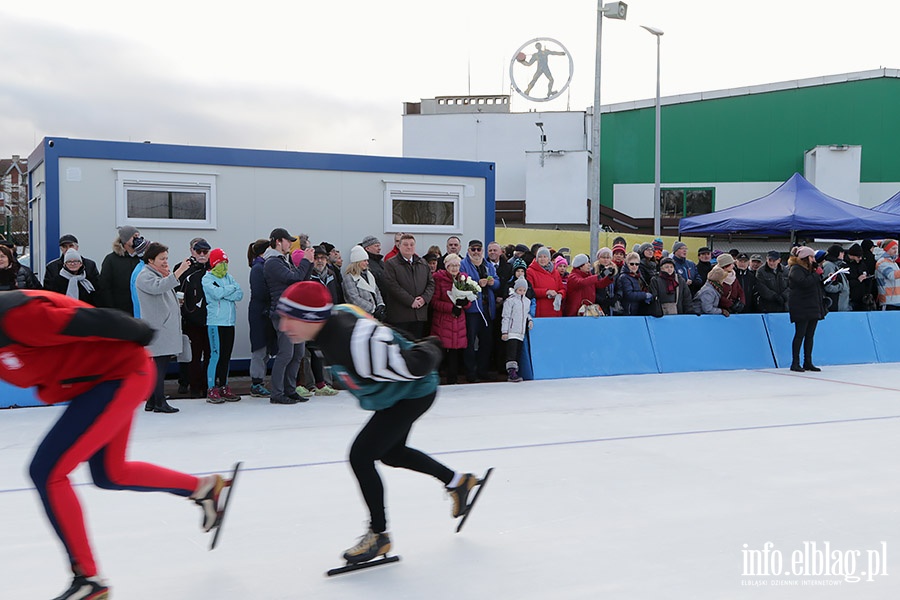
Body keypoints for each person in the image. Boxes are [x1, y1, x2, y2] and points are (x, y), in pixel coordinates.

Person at [0, 290, 233, 600]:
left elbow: (94, 320)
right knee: (110, 473)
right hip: (94, 383)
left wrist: (139, 332)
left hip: (121, 374)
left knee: (47, 470)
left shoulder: (17, 318)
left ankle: (89, 579)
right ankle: (203, 488)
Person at [275, 281, 482, 565]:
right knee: (391, 453)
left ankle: (379, 536)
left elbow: (414, 364)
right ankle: (458, 482)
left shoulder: (352, 343)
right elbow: (384, 331)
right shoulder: (335, 320)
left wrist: (431, 345)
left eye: (291, 318)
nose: (284, 326)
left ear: (312, 318)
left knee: (361, 456)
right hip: (400, 394)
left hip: (413, 392)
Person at [135, 242, 191, 413]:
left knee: (159, 366)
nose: (166, 261)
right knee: (159, 368)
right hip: (159, 329)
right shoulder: (145, 276)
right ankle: (159, 402)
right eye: (162, 259)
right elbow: (158, 288)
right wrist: (179, 271)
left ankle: (152, 401)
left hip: (163, 328)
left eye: (167, 258)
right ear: (150, 259)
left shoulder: (156, 274)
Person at [263, 227, 314, 404]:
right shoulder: (272, 262)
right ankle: (277, 393)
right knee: (286, 354)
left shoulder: (283, 260)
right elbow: (293, 279)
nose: (290, 245)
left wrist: (310, 262)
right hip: (283, 314)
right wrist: (306, 262)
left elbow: (301, 281)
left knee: (297, 353)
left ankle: (289, 390)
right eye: (288, 241)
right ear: (278, 241)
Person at [202, 248, 244, 403]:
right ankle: (211, 388)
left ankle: (224, 386)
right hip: (215, 322)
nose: (224, 266)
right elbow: (216, 293)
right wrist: (228, 291)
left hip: (229, 322)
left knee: (226, 356)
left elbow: (239, 294)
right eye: (221, 263)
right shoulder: (207, 278)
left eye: (226, 263)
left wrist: (225, 291)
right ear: (214, 263)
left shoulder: (229, 277)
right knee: (216, 355)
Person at [302, 246, 343, 396]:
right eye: (317, 258)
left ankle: (325, 383)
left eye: (323, 258)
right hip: (312, 319)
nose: (320, 261)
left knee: (323, 352)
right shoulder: (309, 275)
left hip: (327, 318)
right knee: (309, 352)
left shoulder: (331, 274)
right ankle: (310, 383)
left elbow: (336, 295)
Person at [460, 239, 501, 381]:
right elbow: (462, 284)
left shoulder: (488, 265)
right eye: (473, 249)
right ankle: (471, 373)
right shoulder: (463, 264)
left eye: (479, 249)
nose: (476, 252)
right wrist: (478, 283)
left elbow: (497, 283)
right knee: (470, 342)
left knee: (486, 342)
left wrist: (492, 282)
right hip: (472, 310)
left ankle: (483, 371)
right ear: (468, 250)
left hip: (486, 309)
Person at [177, 238, 212, 398]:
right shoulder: (183, 267)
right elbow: (175, 289)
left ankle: (208, 385)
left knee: (210, 354)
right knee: (193, 355)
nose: (202, 255)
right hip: (191, 319)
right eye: (199, 251)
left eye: (205, 252)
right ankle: (193, 387)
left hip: (210, 318)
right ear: (192, 251)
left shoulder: (213, 267)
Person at [381, 234, 434, 339]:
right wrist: (411, 301)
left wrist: (424, 299)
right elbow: (392, 286)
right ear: (399, 246)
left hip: (419, 315)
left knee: (416, 347)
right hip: (400, 316)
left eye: (411, 244)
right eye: (405, 244)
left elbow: (431, 283)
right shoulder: (391, 264)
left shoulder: (422, 263)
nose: (409, 247)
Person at [429, 253, 469, 384]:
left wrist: (465, 303)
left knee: (455, 352)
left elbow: (470, 300)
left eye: (457, 265)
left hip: (458, 321)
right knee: (440, 350)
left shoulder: (463, 279)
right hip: (443, 321)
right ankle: (436, 378)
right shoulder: (438, 279)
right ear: (446, 266)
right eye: (451, 265)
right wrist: (451, 307)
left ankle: (453, 379)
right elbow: (434, 302)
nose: (454, 268)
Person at [787, 246, 827, 371]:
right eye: (811, 257)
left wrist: (826, 278)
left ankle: (808, 361)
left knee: (810, 335)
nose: (814, 259)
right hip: (801, 307)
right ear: (805, 258)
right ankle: (795, 362)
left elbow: (814, 285)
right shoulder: (796, 269)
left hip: (812, 306)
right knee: (800, 334)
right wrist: (816, 274)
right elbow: (803, 283)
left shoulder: (809, 270)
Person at [247, 238, 276, 397]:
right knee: (259, 348)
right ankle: (256, 382)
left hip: (265, 311)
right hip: (260, 313)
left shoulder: (263, 266)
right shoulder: (258, 268)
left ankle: (259, 380)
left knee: (266, 349)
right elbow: (260, 292)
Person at [99, 226, 145, 314]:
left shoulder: (142, 259)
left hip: (140, 309)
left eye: (138, 236)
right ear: (125, 240)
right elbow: (104, 286)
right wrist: (111, 309)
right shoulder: (111, 260)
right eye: (134, 236)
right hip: (120, 309)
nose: (137, 239)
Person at [501, 277, 534, 382]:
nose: (522, 292)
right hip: (511, 331)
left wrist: (530, 320)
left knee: (518, 352)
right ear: (515, 289)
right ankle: (511, 372)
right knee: (512, 352)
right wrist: (504, 331)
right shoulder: (510, 301)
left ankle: (516, 371)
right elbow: (506, 316)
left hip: (521, 332)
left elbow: (526, 313)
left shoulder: (527, 301)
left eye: (524, 290)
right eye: (520, 290)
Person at [343, 244, 387, 319]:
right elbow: (354, 299)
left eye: (367, 260)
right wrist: (373, 308)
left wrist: (380, 305)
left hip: (374, 314)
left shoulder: (369, 274)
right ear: (357, 262)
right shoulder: (349, 277)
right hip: (360, 315)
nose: (367, 263)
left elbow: (377, 291)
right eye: (364, 260)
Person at [526, 247, 565, 317]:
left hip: (555, 308)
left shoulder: (555, 272)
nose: (542, 259)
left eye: (545, 256)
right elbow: (530, 290)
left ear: (549, 258)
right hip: (540, 308)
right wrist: (546, 292)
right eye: (540, 257)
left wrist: (560, 295)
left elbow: (562, 288)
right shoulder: (530, 271)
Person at [616, 252, 653, 316]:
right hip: (628, 310)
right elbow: (629, 294)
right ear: (627, 264)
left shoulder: (638, 275)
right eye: (632, 264)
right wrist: (645, 295)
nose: (634, 266)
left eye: (637, 264)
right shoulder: (624, 277)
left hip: (637, 309)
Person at [846, 243, 877, 311]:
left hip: (863, 297)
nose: (860, 259)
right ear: (851, 255)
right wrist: (858, 280)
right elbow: (845, 282)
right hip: (851, 297)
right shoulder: (845, 265)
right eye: (858, 257)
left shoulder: (862, 263)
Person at [875, 239, 900, 310]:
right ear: (886, 249)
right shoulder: (882, 262)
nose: (896, 251)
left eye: (896, 248)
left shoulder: (893, 262)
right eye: (893, 248)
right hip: (888, 301)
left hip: (896, 300)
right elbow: (891, 275)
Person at [592, 248, 619, 315]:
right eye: (603, 257)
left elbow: (619, 287)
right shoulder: (594, 271)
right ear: (599, 258)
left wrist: (615, 298)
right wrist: (601, 300)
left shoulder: (614, 271)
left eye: (608, 257)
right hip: (598, 304)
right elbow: (592, 289)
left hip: (612, 305)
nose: (606, 260)